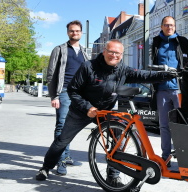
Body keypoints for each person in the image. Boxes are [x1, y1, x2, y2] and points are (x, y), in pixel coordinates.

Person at [36, 39, 175, 183]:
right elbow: (73, 90)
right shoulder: (88, 66)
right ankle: (46, 167)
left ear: (122, 55)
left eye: (118, 53)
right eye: (111, 52)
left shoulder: (122, 69)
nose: (114, 55)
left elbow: (144, 75)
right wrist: (87, 107)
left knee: (118, 142)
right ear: (104, 52)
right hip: (81, 111)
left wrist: (167, 75)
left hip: (106, 111)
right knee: (62, 140)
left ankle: (113, 177)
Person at [46, 20, 90, 176]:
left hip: (79, 94)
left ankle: (66, 155)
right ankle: (60, 160)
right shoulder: (59, 49)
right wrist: (54, 95)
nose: (75, 33)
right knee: (61, 126)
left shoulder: (85, 53)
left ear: (81, 33)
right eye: (72, 31)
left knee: (71, 127)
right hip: (64, 91)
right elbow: (51, 73)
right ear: (67, 32)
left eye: (77, 31)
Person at [151, 16, 188, 164]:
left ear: (175, 27)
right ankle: (165, 157)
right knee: (163, 125)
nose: (170, 27)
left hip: (178, 89)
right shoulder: (156, 42)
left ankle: (184, 158)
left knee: (182, 124)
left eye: (172, 25)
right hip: (162, 89)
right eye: (167, 25)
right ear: (161, 27)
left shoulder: (182, 42)